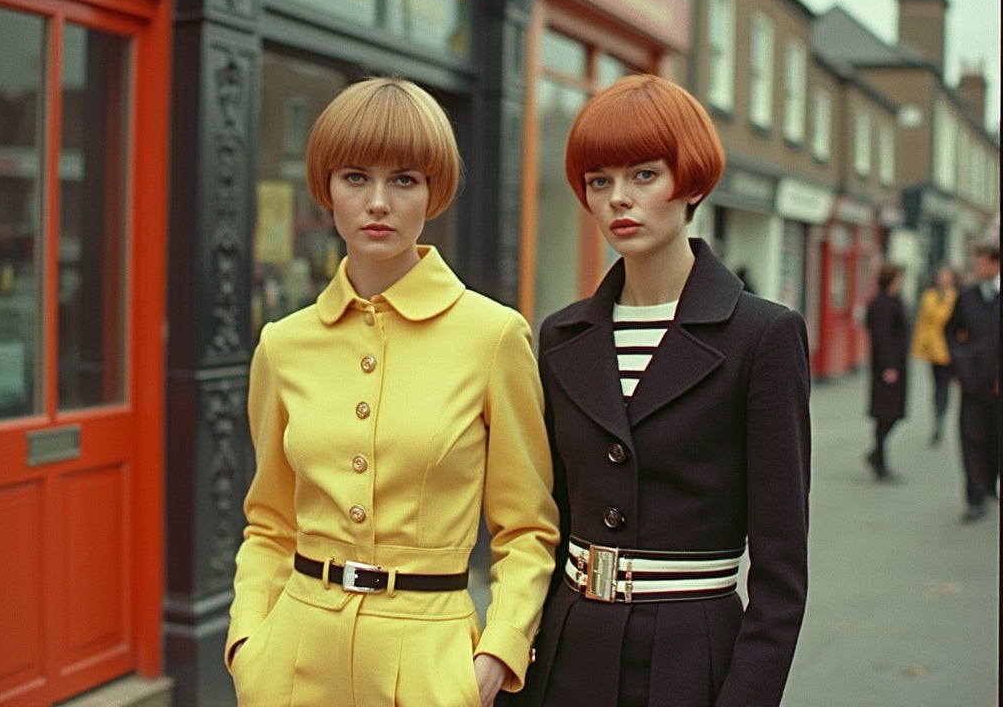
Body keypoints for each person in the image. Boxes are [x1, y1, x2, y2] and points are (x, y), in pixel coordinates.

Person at [225, 76, 559, 706]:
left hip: (433, 666)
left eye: (404, 179)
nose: (378, 202)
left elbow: (526, 528)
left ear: (434, 191)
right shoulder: (283, 344)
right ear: (327, 187)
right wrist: (248, 641)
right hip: (292, 664)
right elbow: (269, 521)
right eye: (355, 177)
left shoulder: (493, 336)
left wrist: (497, 653)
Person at [506, 74, 811, 707]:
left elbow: (782, 577)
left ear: (691, 181)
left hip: (689, 661)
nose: (619, 198)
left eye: (644, 175)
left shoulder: (763, 336)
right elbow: (550, 517)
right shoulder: (561, 335)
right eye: (599, 181)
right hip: (565, 658)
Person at [945, 242, 1000, 522]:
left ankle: (990, 485)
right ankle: (975, 497)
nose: (977, 266)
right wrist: (960, 362)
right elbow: (951, 332)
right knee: (971, 438)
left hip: (997, 387)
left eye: (982, 262)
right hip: (972, 383)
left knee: (994, 438)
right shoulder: (966, 296)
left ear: (996, 264)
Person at [864, 263, 909, 482]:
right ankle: (879, 460)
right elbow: (881, 337)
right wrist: (888, 366)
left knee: (891, 414)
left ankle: (877, 455)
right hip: (888, 368)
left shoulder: (892, 300)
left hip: (896, 365)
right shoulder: (883, 303)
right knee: (885, 414)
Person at [910, 264, 959, 445]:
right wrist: (918, 348)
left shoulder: (957, 297)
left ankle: (941, 418)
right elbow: (922, 323)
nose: (943, 279)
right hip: (933, 349)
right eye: (941, 276)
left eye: (946, 276)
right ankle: (937, 418)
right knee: (937, 386)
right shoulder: (929, 296)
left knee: (944, 387)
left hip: (950, 350)